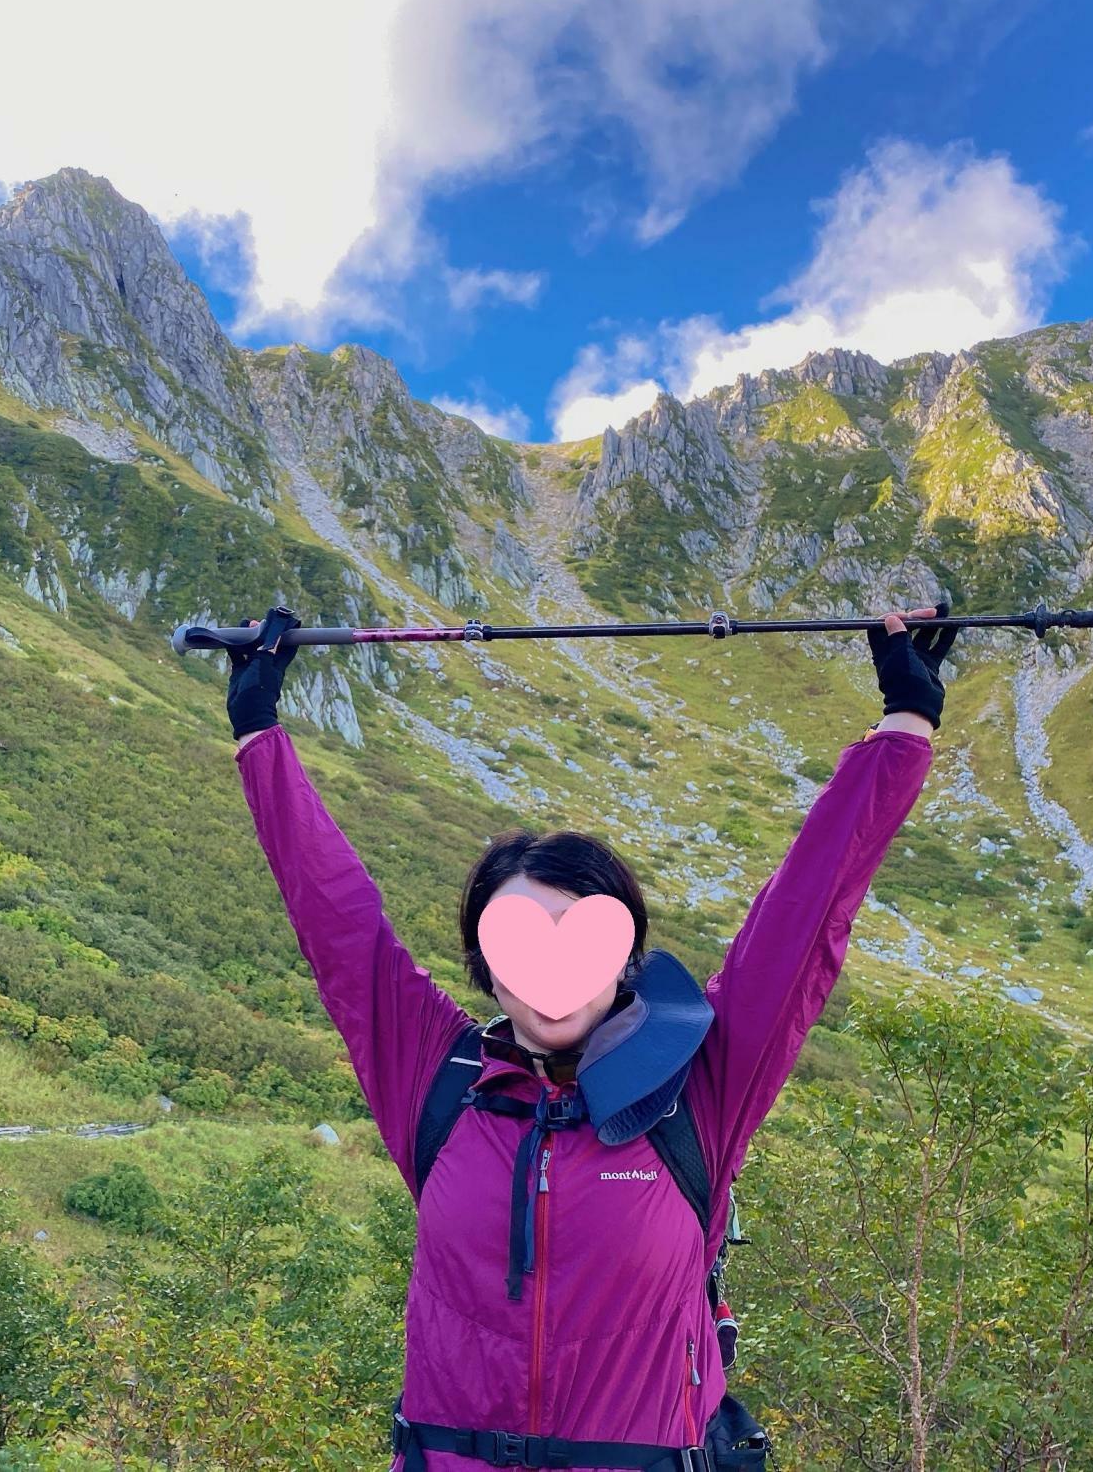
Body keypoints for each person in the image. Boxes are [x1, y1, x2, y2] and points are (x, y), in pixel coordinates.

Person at [228, 602, 952, 1470]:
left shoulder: (701, 1082)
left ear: (624, 954)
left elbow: (805, 917)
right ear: (485, 966)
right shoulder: (438, 1080)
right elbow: (337, 922)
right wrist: (258, 733)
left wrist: (904, 722)